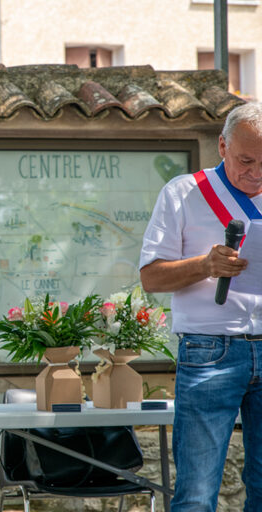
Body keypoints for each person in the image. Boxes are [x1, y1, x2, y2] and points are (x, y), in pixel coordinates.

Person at [140, 101, 262, 512]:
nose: (256, 173)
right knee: (196, 490)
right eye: (246, 160)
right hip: (210, 350)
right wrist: (205, 265)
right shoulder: (183, 192)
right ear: (222, 147)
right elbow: (151, 277)